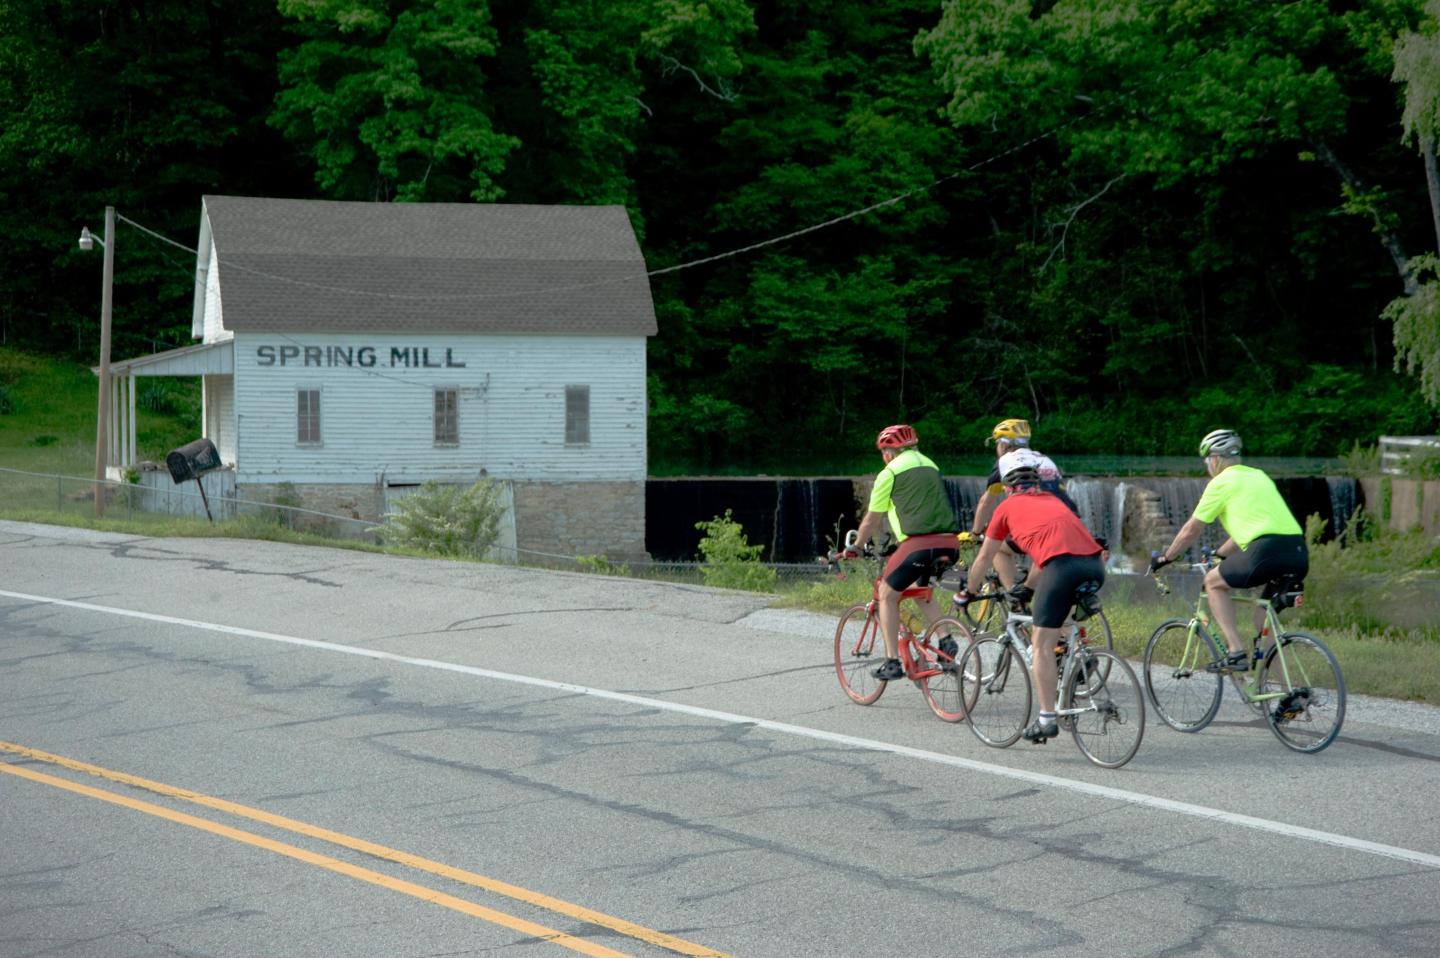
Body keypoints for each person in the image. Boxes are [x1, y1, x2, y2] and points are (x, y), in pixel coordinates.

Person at [959, 451, 1105, 743]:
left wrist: (969, 592)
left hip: (1062, 569)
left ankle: (1047, 719)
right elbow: (1048, 552)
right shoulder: (1054, 501)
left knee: (1041, 646)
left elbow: (985, 557)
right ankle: (1075, 660)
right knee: (1059, 620)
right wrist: (1027, 586)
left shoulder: (1005, 508)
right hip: (1095, 566)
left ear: (1007, 485)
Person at [1149, 429, 1307, 672]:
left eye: (1207, 460)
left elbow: (1192, 529)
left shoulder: (1220, 483)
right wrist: (1221, 554)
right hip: (1297, 550)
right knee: (1261, 618)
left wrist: (1166, 557)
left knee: (1212, 582)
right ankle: (1286, 689)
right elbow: (1252, 527)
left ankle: (1235, 652)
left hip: (1265, 550)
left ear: (1215, 459)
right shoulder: (1259, 476)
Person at [843, 424, 961, 681]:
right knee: (922, 591)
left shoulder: (890, 472)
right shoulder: (931, 465)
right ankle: (946, 640)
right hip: (950, 543)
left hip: (918, 545)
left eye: (884, 452)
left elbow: (873, 519)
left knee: (886, 595)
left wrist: (857, 547)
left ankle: (892, 662)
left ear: (888, 452)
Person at [961, 419, 1077, 588]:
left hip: (1040, 526)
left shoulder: (1008, 462)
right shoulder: (1044, 459)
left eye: (997, 443)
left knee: (998, 549)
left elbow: (987, 502)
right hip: (1070, 523)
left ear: (1004, 444)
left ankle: (1014, 598)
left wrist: (975, 532)